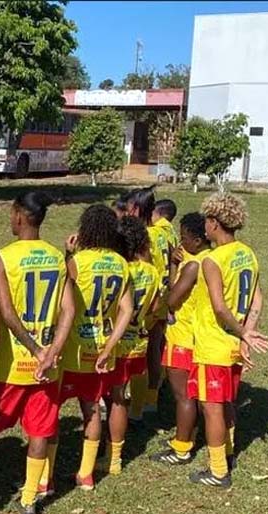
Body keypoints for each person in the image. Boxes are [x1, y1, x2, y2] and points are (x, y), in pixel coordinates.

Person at [0, 192, 75, 514]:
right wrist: (51, 352)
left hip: (11, 365)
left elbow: (7, 311)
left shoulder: (4, 257)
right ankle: (30, 498)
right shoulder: (57, 256)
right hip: (48, 368)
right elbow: (68, 310)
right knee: (40, 432)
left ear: (18, 216)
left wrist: (33, 350)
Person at [187, 194, 268, 488]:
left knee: (211, 407)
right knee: (227, 402)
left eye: (206, 222)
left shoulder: (212, 259)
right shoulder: (247, 253)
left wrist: (242, 332)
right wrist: (247, 332)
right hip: (234, 346)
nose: (204, 228)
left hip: (214, 344)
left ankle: (218, 470)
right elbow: (258, 298)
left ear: (213, 223)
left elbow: (220, 307)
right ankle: (229, 451)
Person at [60, 205, 134, 491]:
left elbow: (62, 300)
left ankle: (43, 478)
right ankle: (87, 474)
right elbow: (127, 310)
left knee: (51, 410)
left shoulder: (78, 261)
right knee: (91, 410)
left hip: (72, 349)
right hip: (103, 350)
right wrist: (110, 346)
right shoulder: (121, 263)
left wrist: (68, 254)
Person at [151, 212, 211, 465]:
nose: (181, 243)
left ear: (198, 240)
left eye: (185, 238)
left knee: (183, 395)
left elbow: (173, 298)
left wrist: (175, 267)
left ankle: (181, 448)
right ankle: (190, 434)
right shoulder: (211, 259)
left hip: (183, 337)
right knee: (195, 393)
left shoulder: (193, 265)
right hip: (200, 336)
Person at [103, 217, 161, 475]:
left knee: (115, 398)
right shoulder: (151, 271)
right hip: (138, 342)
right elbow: (156, 307)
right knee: (120, 396)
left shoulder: (119, 270)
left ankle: (113, 458)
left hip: (115, 346)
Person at [125, 188, 172, 421]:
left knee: (140, 352)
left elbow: (143, 266)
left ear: (135, 208)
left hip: (146, 297)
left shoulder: (145, 235)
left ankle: (141, 401)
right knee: (155, 346)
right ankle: (152, 395)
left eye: (128, 208)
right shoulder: (165, 231)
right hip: (163, 295)